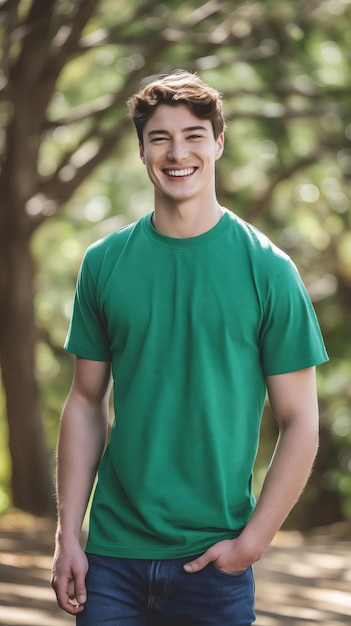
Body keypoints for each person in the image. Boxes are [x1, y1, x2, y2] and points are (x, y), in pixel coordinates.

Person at [51, 70, 328, 626]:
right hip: (112, 560)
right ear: (141, 151)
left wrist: (252, 544)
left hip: (214, 565)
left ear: (219, 142)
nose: (178, 152)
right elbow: (85, 401)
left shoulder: (268, 270)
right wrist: (67, 536)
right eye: (160, 138)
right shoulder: (104, 263)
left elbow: (300, 421)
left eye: (194, 135)